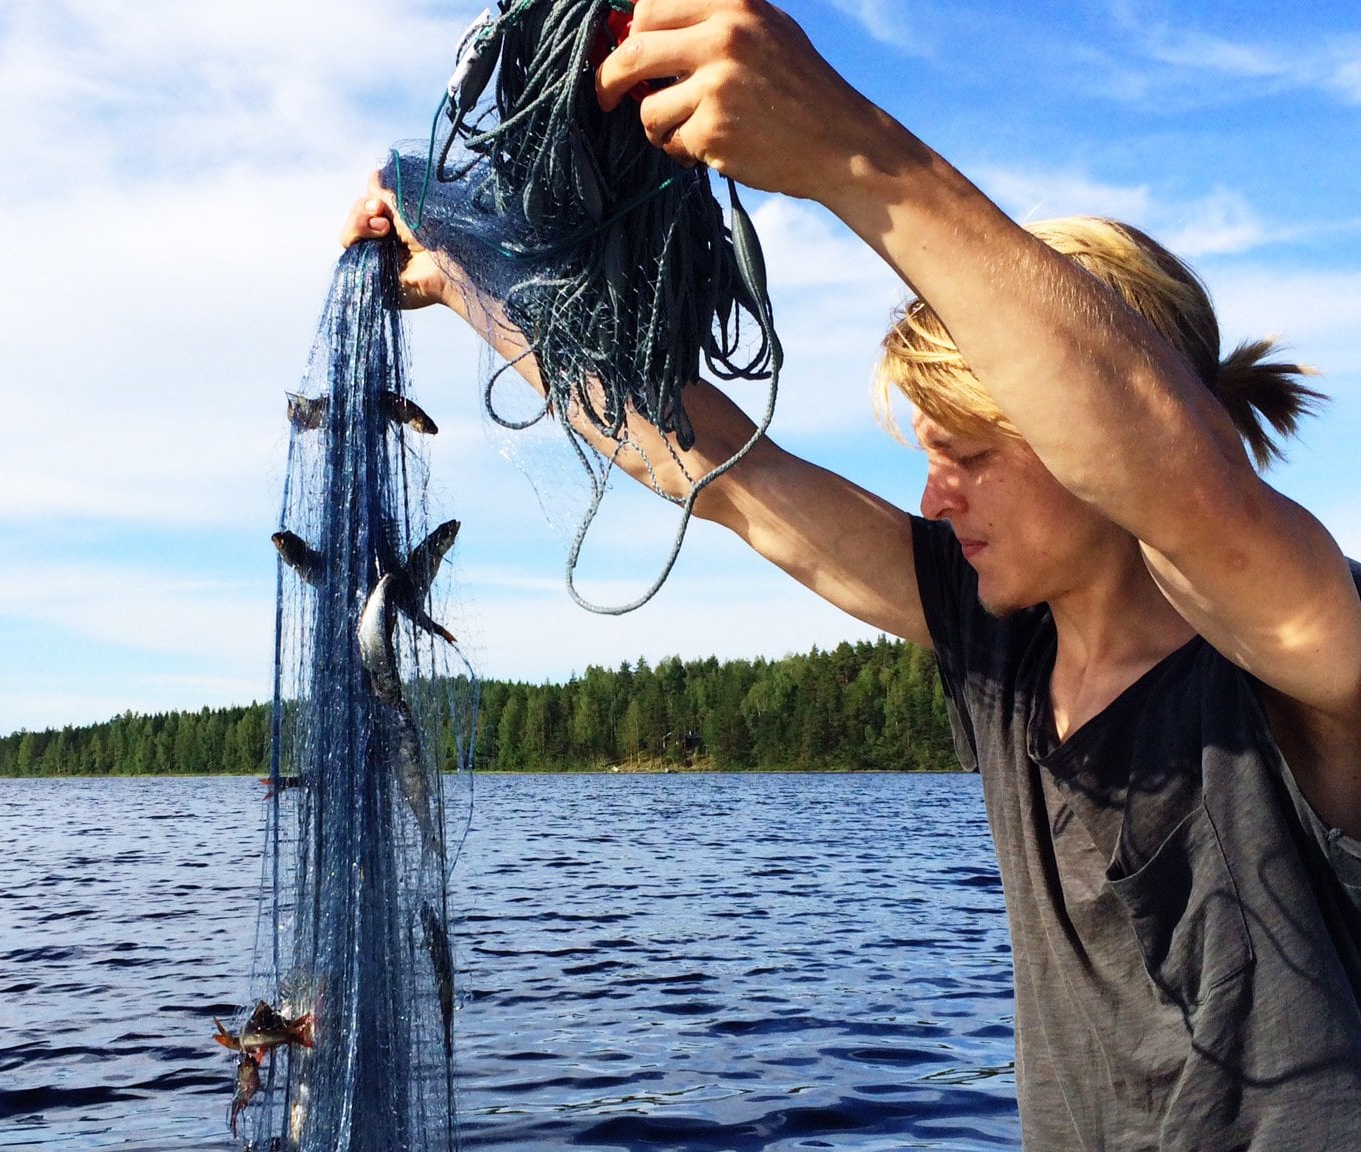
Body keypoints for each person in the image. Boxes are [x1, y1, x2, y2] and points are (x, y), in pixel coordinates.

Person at [341, 0, 1361, 1146]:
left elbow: (1185, 485)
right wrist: (466, 279)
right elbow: (718, 475)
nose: (935, 499)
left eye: (971, 457)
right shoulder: (1000, 644)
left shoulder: (1291, 650)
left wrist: (843, 145)